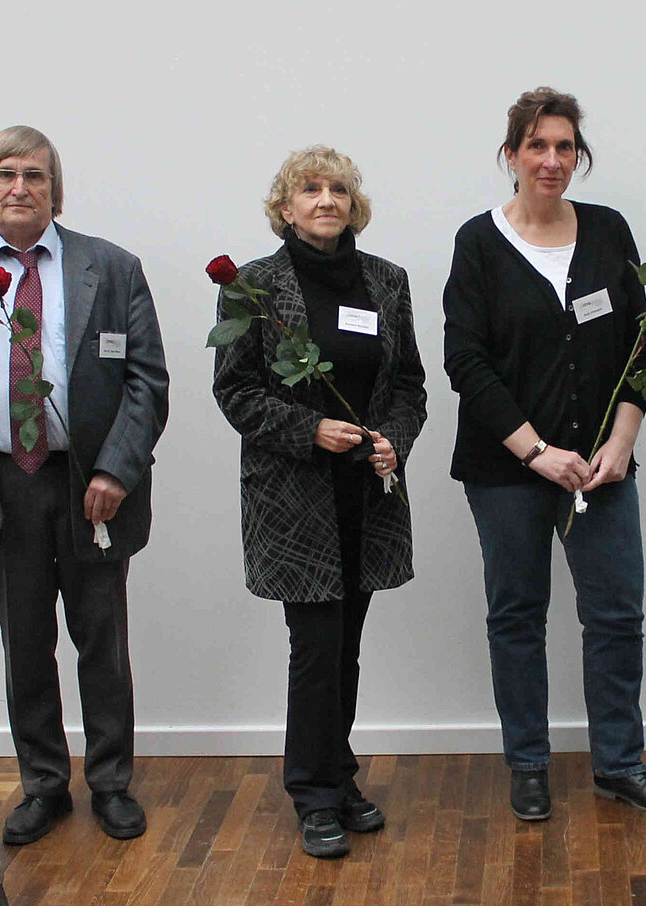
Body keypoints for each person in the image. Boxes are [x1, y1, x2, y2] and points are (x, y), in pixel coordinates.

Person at [0, 125, 170, 846]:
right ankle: (43, 783)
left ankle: (112, 782)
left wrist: (117, 468)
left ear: (55, 189)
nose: (20, 187)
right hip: (0, 483)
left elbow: (146, 381)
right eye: (5, 175)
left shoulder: (110, 268)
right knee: (24, 642)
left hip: (90, 485)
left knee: (101, 637)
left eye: (34, 175)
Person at [443, 86, 646, 823]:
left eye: (564, 146)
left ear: (578, 155)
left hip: (602, 468)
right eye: (537, 145)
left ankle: (619, 763)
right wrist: (537, 451)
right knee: (517, 615)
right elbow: (466, 361)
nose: (552, 160)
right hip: (507, 470)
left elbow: (642, 345)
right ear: (511, 154)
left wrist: (621, 440)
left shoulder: (610, 231)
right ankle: (528, 763)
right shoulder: (479, 242)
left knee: (616, 615)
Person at [211, 146, 428, 859]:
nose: (326, 199)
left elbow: (409, 385)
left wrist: (394, 438)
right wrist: (311, 429)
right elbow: (235, 391)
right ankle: (312, 793)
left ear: (353, 204)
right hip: (293, 497)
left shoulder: (386, 282)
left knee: (348, 648)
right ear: (285, 207)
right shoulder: (253, 286)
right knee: (315, 649)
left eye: (338, 188)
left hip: (367, 492)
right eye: (310, 188)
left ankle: (339, 774)